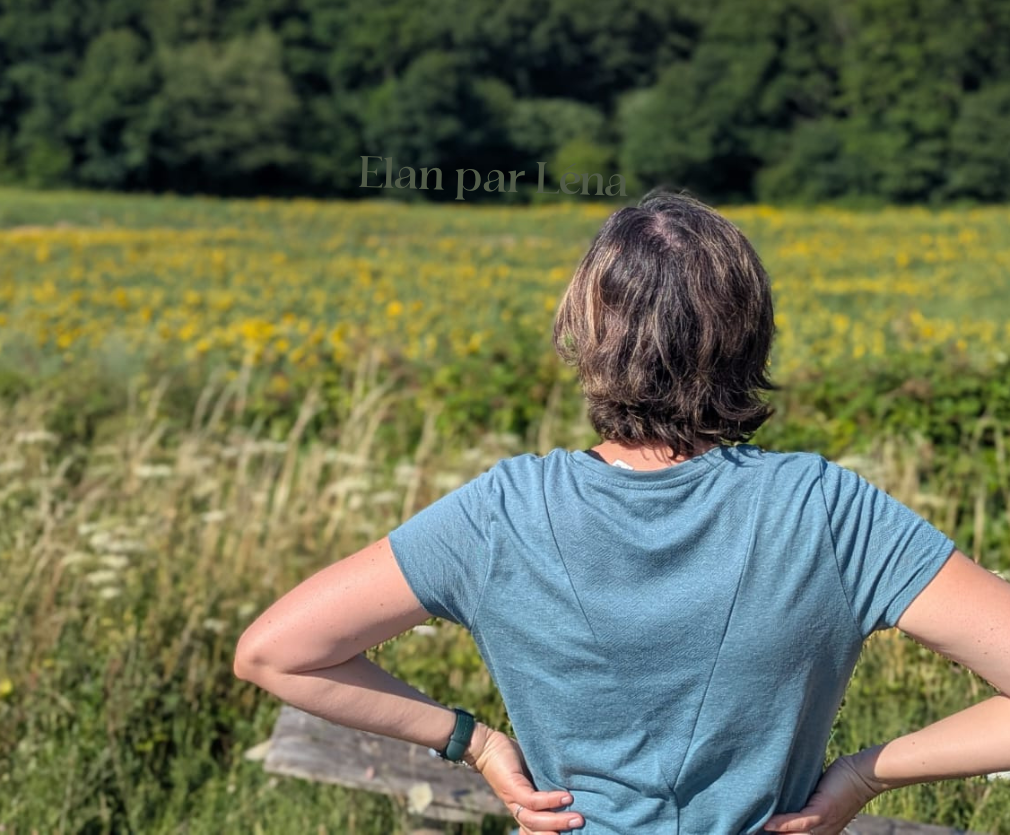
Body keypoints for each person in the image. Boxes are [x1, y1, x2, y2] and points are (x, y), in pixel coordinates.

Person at [234, 189, 1010, 835]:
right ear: (751, 333)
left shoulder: (503, 511)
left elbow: (275, 653)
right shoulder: (827, 510)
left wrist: (474, 743)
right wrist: (863, 776)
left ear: (588, 335)